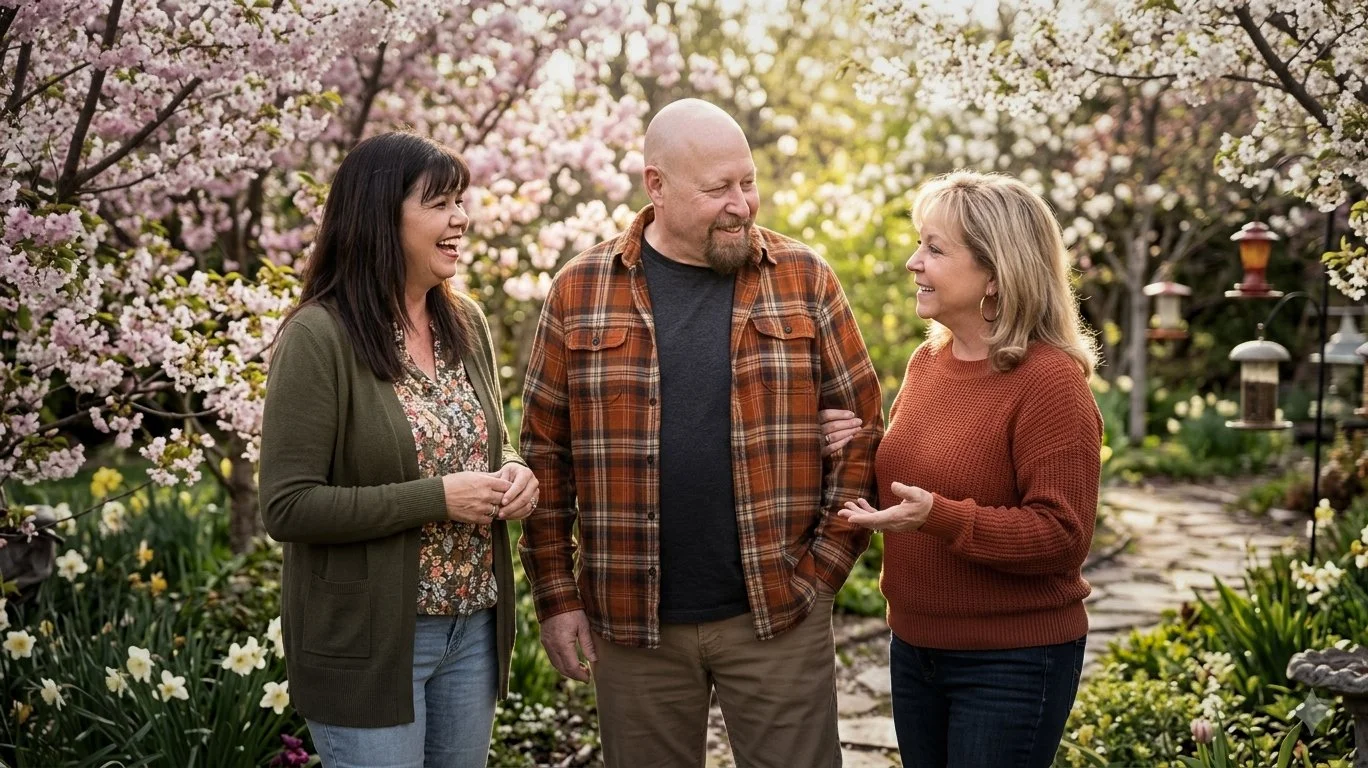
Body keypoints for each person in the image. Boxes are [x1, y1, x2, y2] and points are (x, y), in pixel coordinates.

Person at [518, 98, 884, 768]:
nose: (741, 204)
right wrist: (556, 598)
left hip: (778, 615)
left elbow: (863, 433)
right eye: (718, 189)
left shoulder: (804, 278)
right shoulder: (580, 291)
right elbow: (546, 458)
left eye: (747, 182)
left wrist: (822, 575)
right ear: (655, 185)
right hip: (633, 625)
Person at [258, 131, 538, 768]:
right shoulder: (318, 337)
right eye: (438, 203)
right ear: (379, 216)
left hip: (473, 632)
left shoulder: (463, 321)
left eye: (460, 201)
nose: (460, 218)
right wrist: (436, 499)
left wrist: (516, 472)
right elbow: (288, 507)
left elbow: (489, 443)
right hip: (372, 642)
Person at [821, 170, 1102, 768]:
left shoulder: (1050, 382)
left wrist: (940, 518)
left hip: (1011, 660)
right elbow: (914, 473)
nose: (912, 262)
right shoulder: (929, 362)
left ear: (996, 275)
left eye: (934, 248)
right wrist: (857, 444)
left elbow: (1062, 537)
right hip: (916, 647)